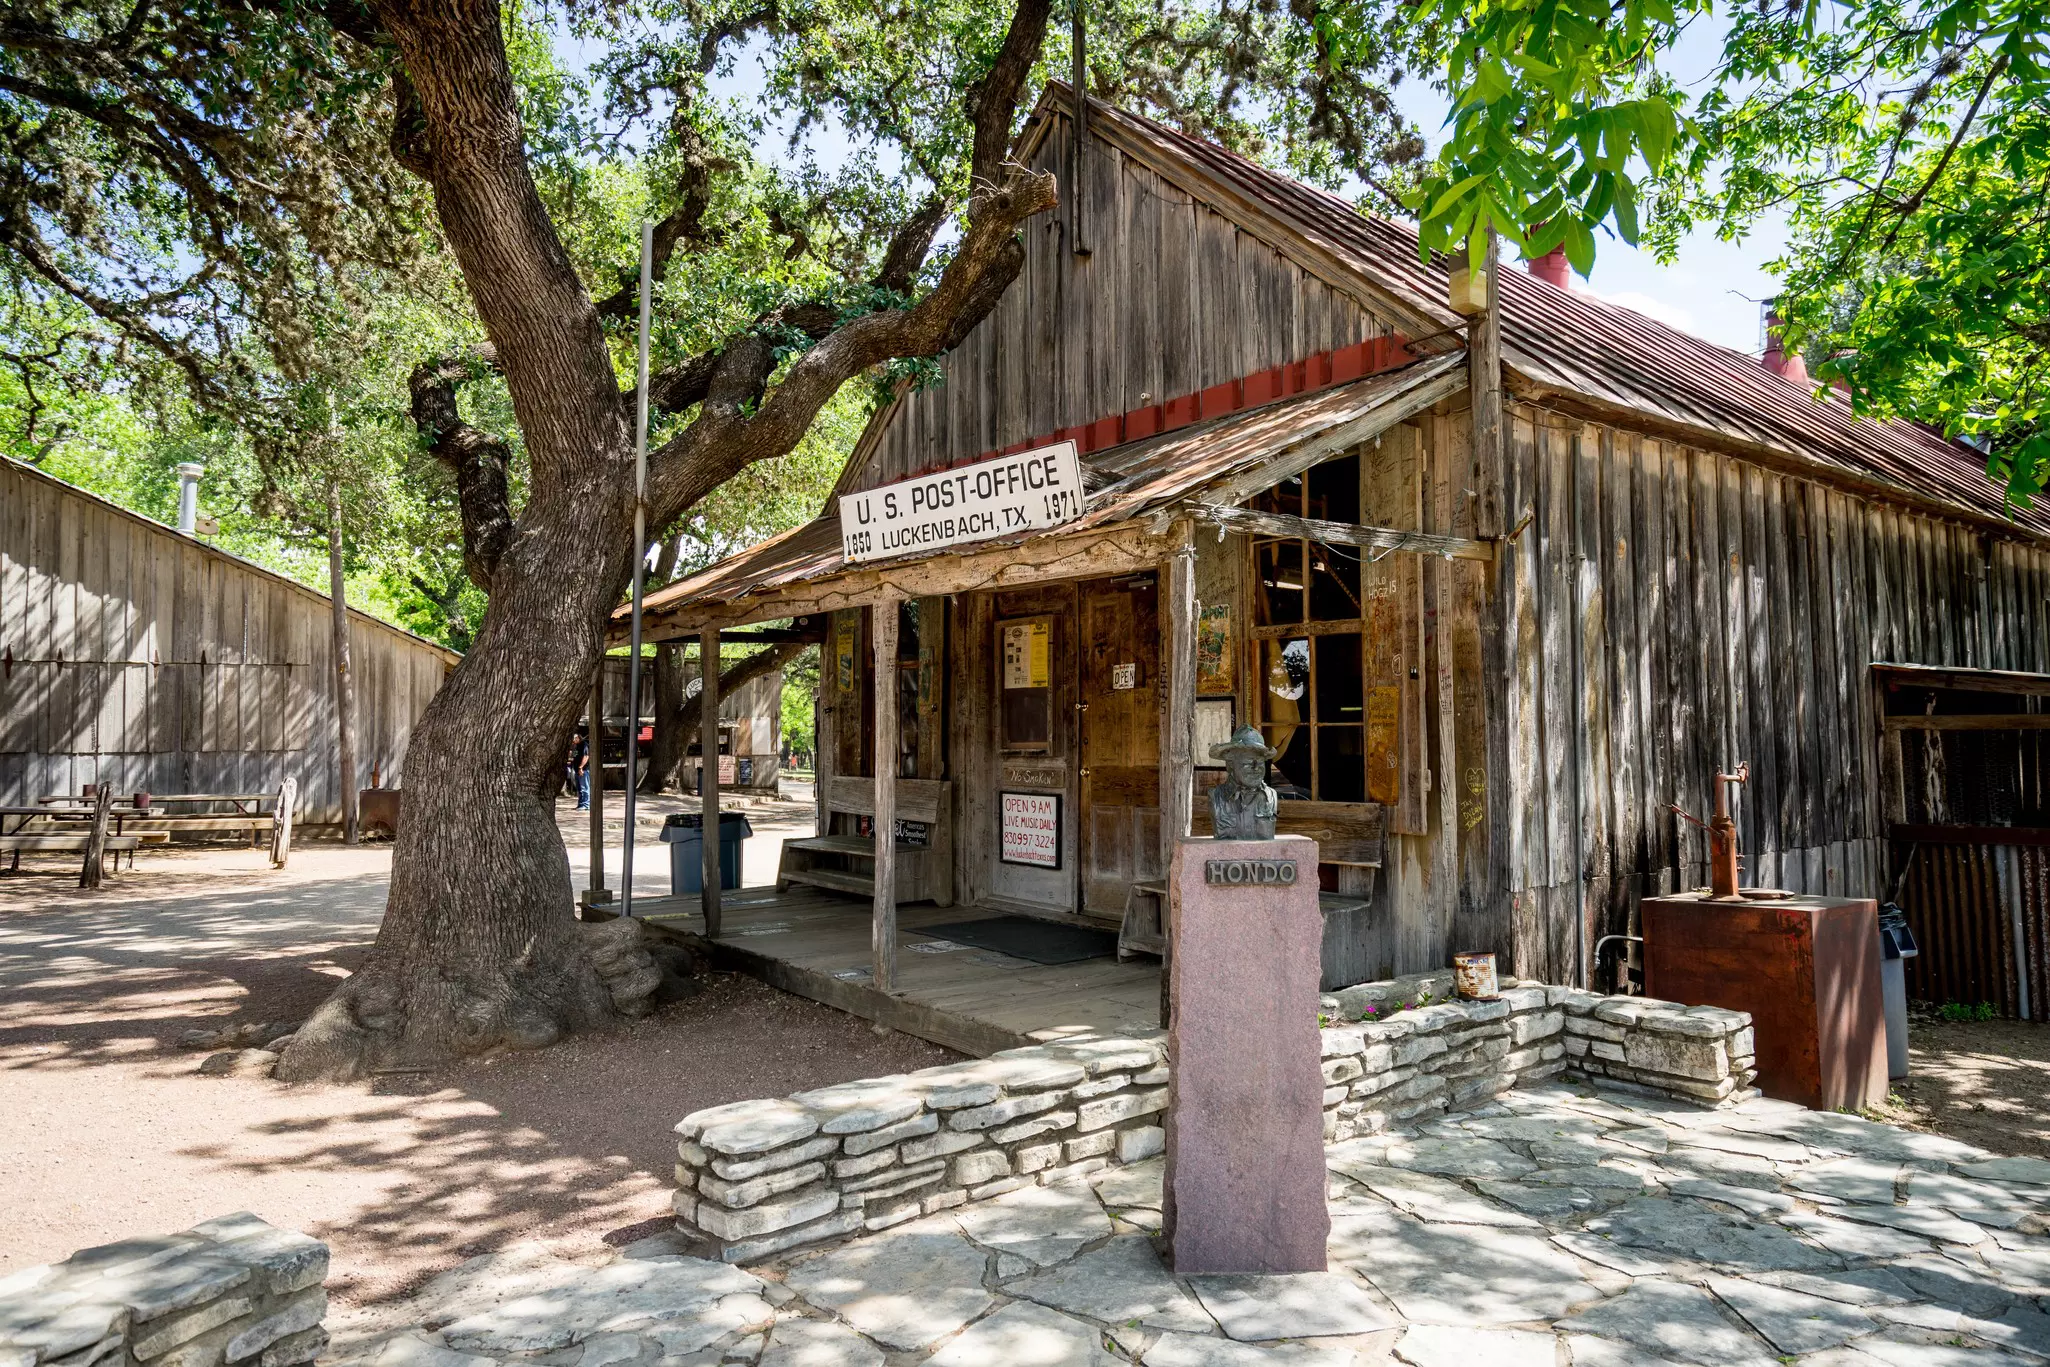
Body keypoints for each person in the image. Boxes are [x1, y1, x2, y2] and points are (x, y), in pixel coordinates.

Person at [568, 728, 591, 810]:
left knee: (584, 787)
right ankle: (580, 804)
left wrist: (581, 767)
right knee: (579, 788)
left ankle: (586, 805)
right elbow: (573, 756)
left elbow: (586, 756)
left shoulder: (584, 745)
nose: (573, 740)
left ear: (579, 737)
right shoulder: (576, 746)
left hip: (583, 769)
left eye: (575, 738)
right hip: (576, 769)